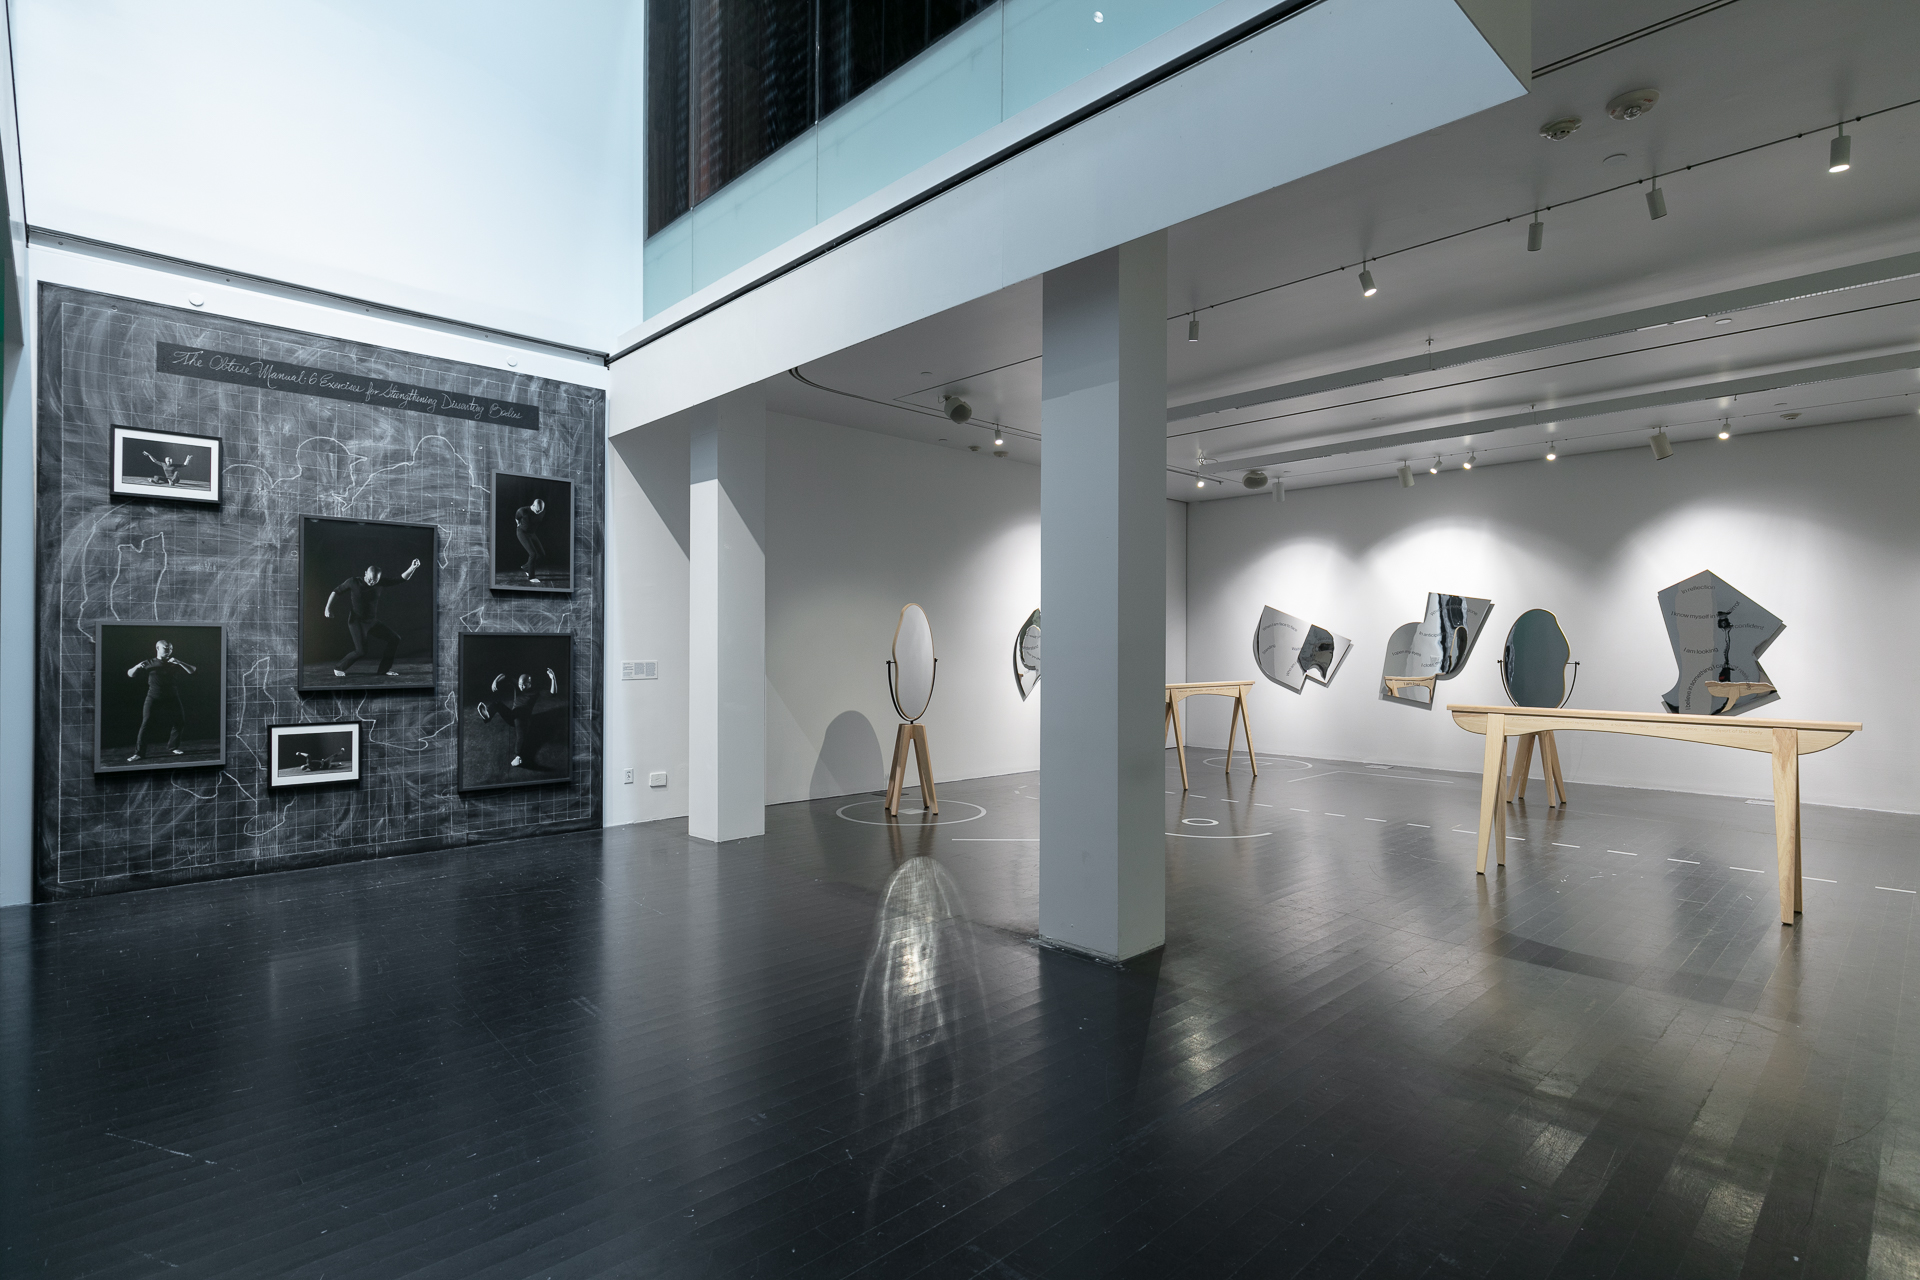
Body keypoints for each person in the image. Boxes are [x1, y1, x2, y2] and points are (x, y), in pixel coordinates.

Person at [325, 558, 423, 678]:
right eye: (370, 579)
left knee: (394, 639)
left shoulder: (380, 582)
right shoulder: (353, 582)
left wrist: (413, 567)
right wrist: (327, 608)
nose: (371, 582)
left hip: (372, 622)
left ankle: (383, 670)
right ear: (365, 573)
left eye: (375, 581)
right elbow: (337, 591)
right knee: (361, 652)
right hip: (356, 622)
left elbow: (401, 579)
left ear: (379, 579)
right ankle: (338, 667)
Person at [125, 639, 196, 761]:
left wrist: (179, 662)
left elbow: (192, 670)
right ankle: (139, 753)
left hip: (172, 696)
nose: (169, 651)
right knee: (146, 723)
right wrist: (137, 666)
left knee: (179, 721)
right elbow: (130, 674)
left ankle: (173, 747)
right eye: (166, 648)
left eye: (171, 649)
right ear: (157, 648)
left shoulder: (174, 663)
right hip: (154, 696)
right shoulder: (149, 662)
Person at [476, 667, 559, 769]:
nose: (521, 687)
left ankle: (519, 756)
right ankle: (488, 715)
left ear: (530, 684)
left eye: (524, 685)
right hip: (513, 715)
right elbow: (505, 674)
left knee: (521, 734)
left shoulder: (536, 691)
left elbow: (553, 693)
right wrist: (495, 681)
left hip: (523, 718)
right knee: (497, 704)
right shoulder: (518, 684)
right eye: (520, 684)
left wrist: (553, 678)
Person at [514, 497, 548, 584]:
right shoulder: (523, 510)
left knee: (542, 554)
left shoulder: (542, 512)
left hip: (532, 534)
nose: (538, 513)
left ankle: (526, 567)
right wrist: (519, 525)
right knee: (533, 554)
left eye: (540, 511)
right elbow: (517, 517)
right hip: (522, 533)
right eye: (537, 511)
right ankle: (531, 576)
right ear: (532, 505)